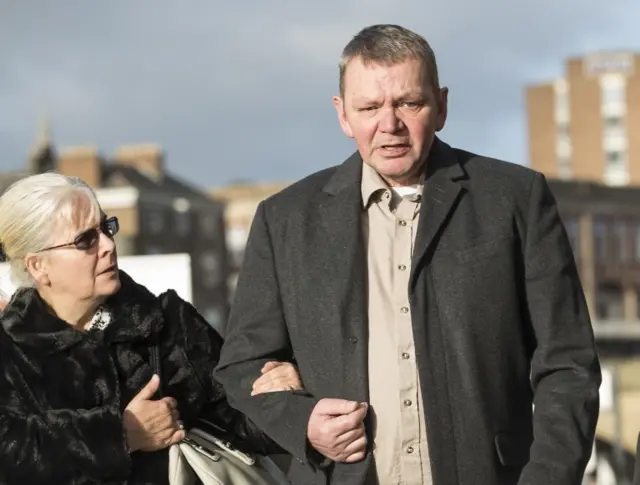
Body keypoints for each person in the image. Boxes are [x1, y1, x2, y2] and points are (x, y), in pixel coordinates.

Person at [215, 23, 602, 485]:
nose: (389, 124)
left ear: (441, 106)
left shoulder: (515, 199)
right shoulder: (284, 220)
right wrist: (303, 423)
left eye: (408, 103)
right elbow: (241, 367)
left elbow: (568, 365)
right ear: (343, 115)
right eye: (369, 107)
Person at [0, 172, 302, 485]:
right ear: (38, 265)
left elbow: (242, 423)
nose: (107, 245)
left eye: (106, 227)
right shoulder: (11, 352)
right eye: (85, 240)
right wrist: (121, 435)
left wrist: (277, 392)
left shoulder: (166, 325)